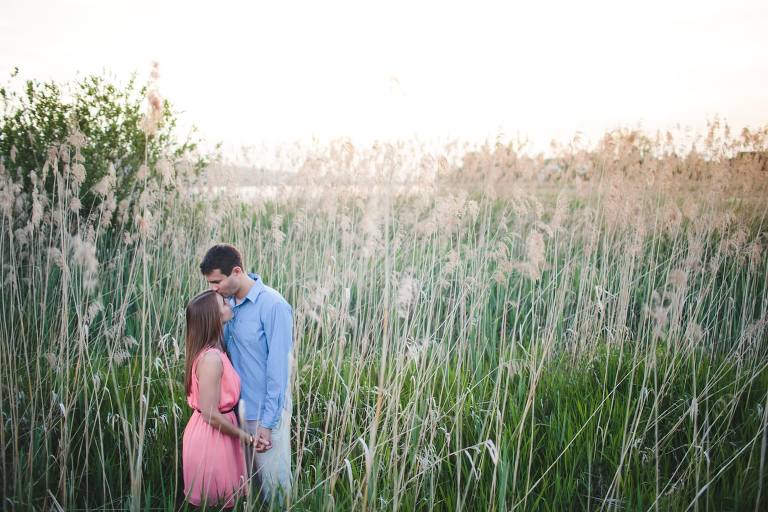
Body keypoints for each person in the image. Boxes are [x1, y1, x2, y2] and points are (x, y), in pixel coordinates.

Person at [200, 244, 294, 505]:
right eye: (210, 283)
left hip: (264, 415)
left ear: (237, 271)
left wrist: (267, 423)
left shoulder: (274, 306)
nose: (213, 289)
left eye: (217, 281)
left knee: (277, 493)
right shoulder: (226, 306)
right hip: (234, 417)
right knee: (249, 495)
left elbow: (278, 372)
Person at [182, 290, 255, 508]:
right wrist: (246, 437)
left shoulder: (214, 351)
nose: (229, 303)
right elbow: (210, 414)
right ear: (212, 316)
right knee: (217, 501)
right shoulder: (211, 359)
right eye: (223, 302)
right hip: (212, 437)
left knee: (223, 500)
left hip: (219, 432)